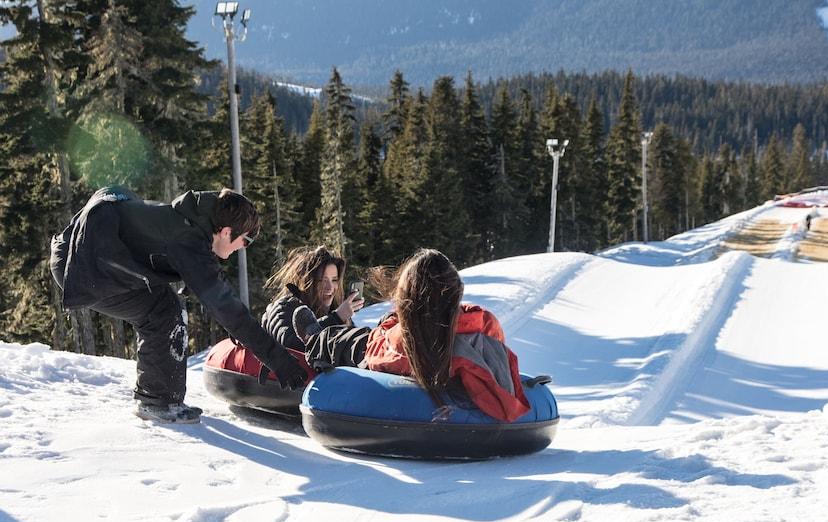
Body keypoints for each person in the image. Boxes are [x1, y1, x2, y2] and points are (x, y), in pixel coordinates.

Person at [49, 186, 308, 424]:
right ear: (227, 232)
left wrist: (238, 329)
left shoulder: (197, 221)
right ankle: (156, 402)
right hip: (81, 264)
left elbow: (220, 299)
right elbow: (225, 306)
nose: (244, 248)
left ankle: (161, 399)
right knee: (162, 313)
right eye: (246, 241)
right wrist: (279, 360)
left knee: (166, 308)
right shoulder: (189, 240)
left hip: (91, 255)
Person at [302, 248, 531, 423]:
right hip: (392, 331)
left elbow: (376, 354)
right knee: (354, 334)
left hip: (370, 343)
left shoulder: (406, 343)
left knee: (334, 340)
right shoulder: (483, 323)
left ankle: (313, 334)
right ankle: (319, 330)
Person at [261, 246, 364, 352]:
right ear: (306, 282)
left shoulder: (332, 310)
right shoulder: (283, 308)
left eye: (334, 280)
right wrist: (336, 318)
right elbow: (293, 348)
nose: (330, 287)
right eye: (321, 280)